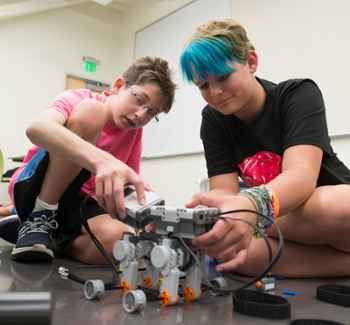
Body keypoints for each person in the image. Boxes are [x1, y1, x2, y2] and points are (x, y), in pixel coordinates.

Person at [179, 18, 350, 278]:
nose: (215, 93)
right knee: (235, 253)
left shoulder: (298, 94)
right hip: (285, 228)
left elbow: (301, 176)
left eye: (223, 77)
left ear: (251, 62)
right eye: (203, 85)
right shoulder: (213, 120)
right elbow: (224, 193)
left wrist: (249, 207)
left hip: (326, 218)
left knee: (340, 206)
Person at [2, 56, 177, 264]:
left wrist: (144, 219)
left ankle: (52, 239)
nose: (141, 115)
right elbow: (36, 129)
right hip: (39, 187)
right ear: (118, 86)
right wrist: (101, 160)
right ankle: (38, 219)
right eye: (139, 99)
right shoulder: (81, 99)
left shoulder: (134, 132)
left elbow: (126, 186)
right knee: (94, 112)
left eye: (151, 113)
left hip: (81, 203)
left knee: (123, 245)